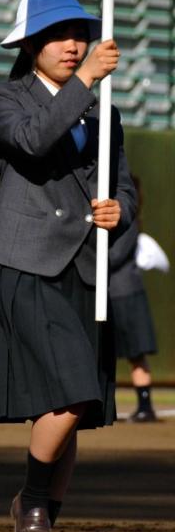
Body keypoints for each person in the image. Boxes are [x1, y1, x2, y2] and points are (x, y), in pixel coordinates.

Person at [0, 0, 137, 532]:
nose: (73, 44)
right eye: (58, 35)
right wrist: (86, 81)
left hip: (86, 268)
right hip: (25, 263)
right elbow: (31, 138)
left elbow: (122, 185)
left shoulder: (106, 110)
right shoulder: (0, 96)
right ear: (30, 45)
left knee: (79, 407)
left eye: (80, 34)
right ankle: (33, 502)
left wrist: (119, 212)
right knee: (73, 393)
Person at [109, 176, 161, 423]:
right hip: (112, 293)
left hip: (125, 294)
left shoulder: (128, 222)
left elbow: (114, 256)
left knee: (136, 353)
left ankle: (145, 406)